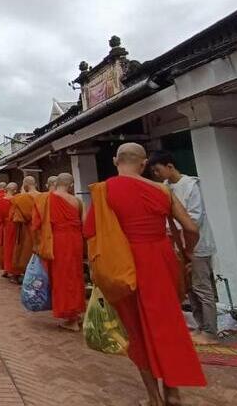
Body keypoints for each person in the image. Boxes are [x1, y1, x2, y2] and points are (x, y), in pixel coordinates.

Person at [84, 143, 205, 406]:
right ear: (144, 163)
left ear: (115, 161)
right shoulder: (162, 190)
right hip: (161, 260)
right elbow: (191, 228)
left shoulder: (104, 191)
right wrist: (188, 253)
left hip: (124, 264)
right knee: (168, 323)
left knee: (136, 330)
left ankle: (154, 398)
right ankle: (173, 392)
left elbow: (91, 233)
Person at [149, 150, 218, 344]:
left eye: (158, 170)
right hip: (177, 245)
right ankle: (200, 325)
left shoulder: (190, 185)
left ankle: (210, 331)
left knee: (202, 287)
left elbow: (195, 218)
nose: (156, 174)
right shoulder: (165, 188)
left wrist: (181, 234)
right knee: (190, 287)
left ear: (170, 166)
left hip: (196, 244)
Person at [44, 173, 86, 331]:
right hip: (75, 240)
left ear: (56, 183)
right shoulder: (78, 201)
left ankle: (71, 318)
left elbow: (38, 222)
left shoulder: (47, 199)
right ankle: (77, 312)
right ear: (71, 185)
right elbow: (85, 223)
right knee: (75, 275)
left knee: (62, 277)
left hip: (58, 240)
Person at [9, 176, 38, 279]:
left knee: (26, 252)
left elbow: (16, 218)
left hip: (27, 229)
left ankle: (27, 275)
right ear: (35, 184)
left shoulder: (20, 198)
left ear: (24, 185)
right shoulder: (44, 196)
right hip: (41, 229)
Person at [0, 182, 20, 281]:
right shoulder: (15, 200)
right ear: (15, 190)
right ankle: (13, 271)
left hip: (4, 225)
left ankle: (6, 269)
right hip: (13, 225)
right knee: (13, 247)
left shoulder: (1, 200)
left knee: (5, 246)